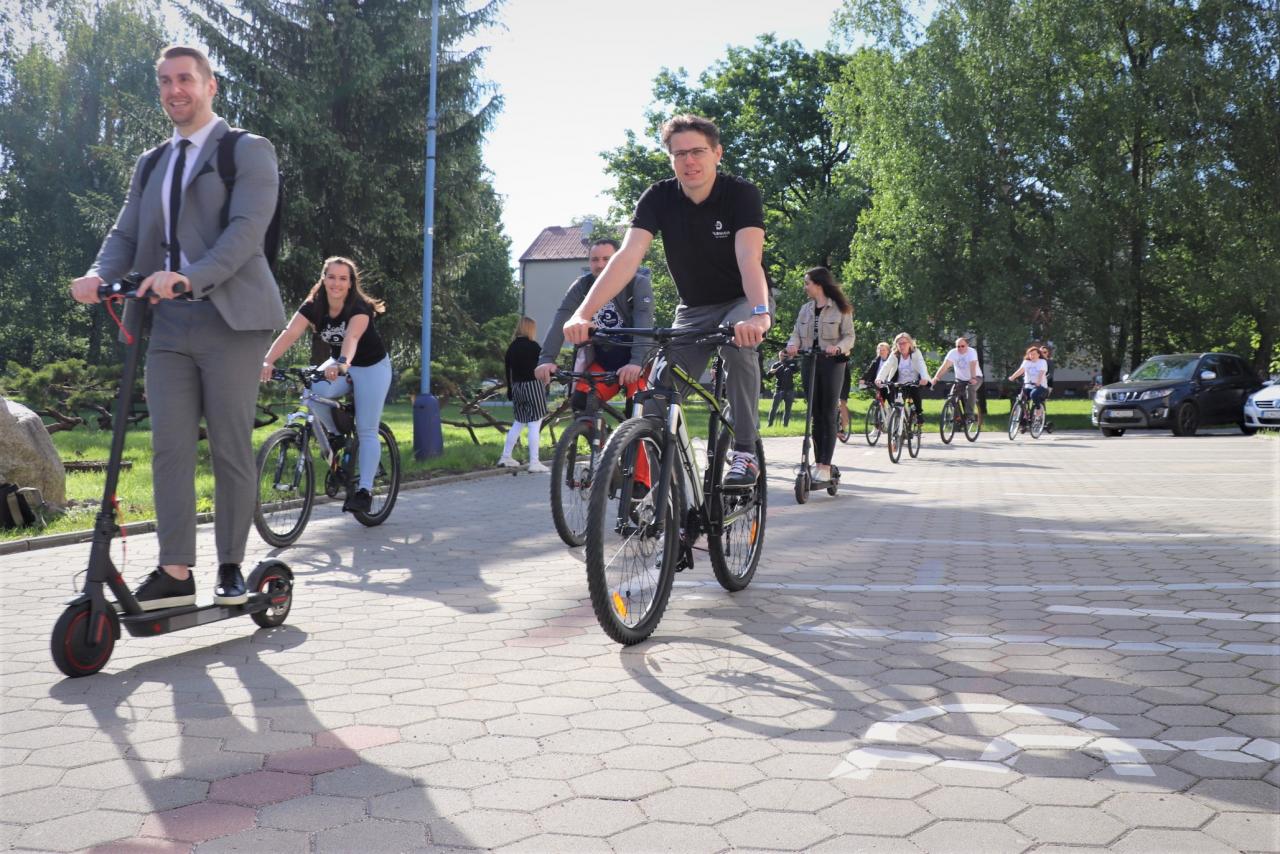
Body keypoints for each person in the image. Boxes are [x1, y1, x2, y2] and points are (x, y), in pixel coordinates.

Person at [70, 45, 284, 610]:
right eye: (165, 81)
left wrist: (190, 277)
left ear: (210, 86)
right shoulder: (151, 162)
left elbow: (245, 232)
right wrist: (97, 274)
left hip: (231, 319)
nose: (174, 90)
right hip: (166, 323)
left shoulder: (247, 151)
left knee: (230, 447)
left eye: (185, 78)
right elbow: (125, 233)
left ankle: (231, 565)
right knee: (168, 448)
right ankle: (175, 572)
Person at [562, 114, 772, 489]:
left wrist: (759, 315)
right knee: (657, 396)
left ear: (717, 153)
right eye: (679, 154)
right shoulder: (658, 197)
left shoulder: (741, 194)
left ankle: (745, 450)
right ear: (671, 159)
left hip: (741, 300)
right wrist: (583, 313)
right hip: (693, 309)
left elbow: (748, 258)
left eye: (697, 151)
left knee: (739, 347)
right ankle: (669, 500)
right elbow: (627, 259)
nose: (689, 161)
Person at [260, 256, 390, 513]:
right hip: (337, 363)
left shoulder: (359, 307)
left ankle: (364, 491)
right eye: (331, 277)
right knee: (312, 389)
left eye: (343, 278)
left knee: (366, 429)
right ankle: (336, 434)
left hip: (370, 367)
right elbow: (290, 333)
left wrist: (341, 363)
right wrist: (267, 361)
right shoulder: (314, 304)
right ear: (323, 278)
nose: (336, 283)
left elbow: (352, 338)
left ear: (351, 283)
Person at [533, 238, 653, 411]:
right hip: (605, 361)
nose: (600, 264)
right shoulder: (582, 286)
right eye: (595, 259)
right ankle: (595, 430)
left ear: (618, 260)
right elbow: (562, 318)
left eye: (606, 259)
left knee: (637, 412)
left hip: (638, 359)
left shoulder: (637, 282)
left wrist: (637, 362)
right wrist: (546, 359)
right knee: (581, 404)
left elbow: (644, 321)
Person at [785, 267, 855, 483]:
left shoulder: (840, 308)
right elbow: (796, 334)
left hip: (832, 364)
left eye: (807, 283)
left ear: (819, 284)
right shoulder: (805, 309)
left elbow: (849, 337)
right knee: (814, 414)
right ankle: (817, 464)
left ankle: (825, 465)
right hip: (810, 362)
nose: (805, 287)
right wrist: (792, 346)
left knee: (828, 413)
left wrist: (838, 348)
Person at [501, 317, 549, 472]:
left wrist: (510, 390)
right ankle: (534, 462)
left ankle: (505, 457)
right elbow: (543, 367)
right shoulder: (534, 347)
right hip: (533, 386)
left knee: (519, 422)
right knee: (535, 422)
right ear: (530, 329)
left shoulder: (512, 347)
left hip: (517, 387)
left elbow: (508, 371)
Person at [876, 333, 931, 421]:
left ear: (910, 343)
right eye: (899, 343)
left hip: (914, 382)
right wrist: (879, 378)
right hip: (899, 383)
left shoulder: (916, 353)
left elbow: (922, 365)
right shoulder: (895, 354)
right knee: (895, 402)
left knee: (914, 391)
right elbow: (886, 366)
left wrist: (924, 378)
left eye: (904, 343)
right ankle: (898, 417)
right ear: (896, 345)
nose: (902, 346)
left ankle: (919, 413)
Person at [930, 336, 984, 424]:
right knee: (952, 397)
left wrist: (973, 378)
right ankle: (957, 417)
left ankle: (970, 416)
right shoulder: (953, 353)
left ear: (967, 345)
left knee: (970, 388)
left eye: (963, 346)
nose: (960, 348)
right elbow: (945, 366)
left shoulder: (971, 352)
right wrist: (936, 377)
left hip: (976, 377)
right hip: (960, 380)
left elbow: (973, 365)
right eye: (958, 346)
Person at [1009, 344, 1050, 429]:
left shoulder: (1042, 362)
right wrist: (1012, 377)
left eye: (1034, 354)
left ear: (1038, 354)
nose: (1032, 356)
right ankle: (1023, 418)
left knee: (1033, 394)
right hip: (1028, 385)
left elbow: (1041, 373)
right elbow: (1021, 370)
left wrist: (1038, 382)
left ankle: (1038, 408)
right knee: (1021, 399)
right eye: (1030, 354)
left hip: (1041, 386)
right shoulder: (1026, 362)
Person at [766, 352, 799, 427]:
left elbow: (796, 370)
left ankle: (785, 425)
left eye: (784, 355)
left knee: (788, 409)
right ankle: (770, 424)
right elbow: (769, 376)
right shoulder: (776, 364)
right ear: (779, 356)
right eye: (781, 355)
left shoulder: (791, 363)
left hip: (789, 389)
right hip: (779, 389)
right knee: (774, 408)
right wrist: (772, 371)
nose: (783, 357)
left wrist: (791, 361)